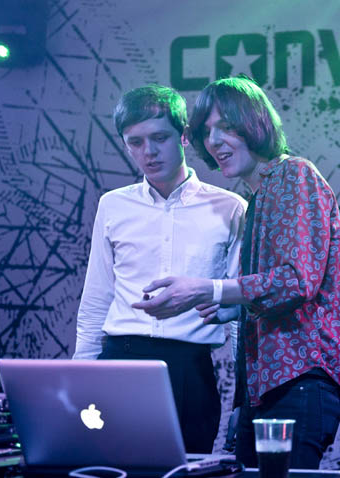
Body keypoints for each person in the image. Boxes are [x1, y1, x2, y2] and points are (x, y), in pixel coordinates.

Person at [132, 76, 340, 469]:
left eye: (227, 126)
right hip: (264, 392)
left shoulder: (294, 175)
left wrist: (209, 290)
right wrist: (235, 310)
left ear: (256, 124)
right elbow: (273, 296)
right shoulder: (258, 196)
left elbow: (297, 280)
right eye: (206, 131)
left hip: (299, 382)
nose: (215, 141)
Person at [73, 84, 246, 453]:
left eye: (160, 137)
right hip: (118, 360)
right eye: (135, 142)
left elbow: (238, 313)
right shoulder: (113, 205)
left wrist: (243, 400)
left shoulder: (230, 208)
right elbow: (96, 300)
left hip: (190, 369)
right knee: (108, 470)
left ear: (184, 136)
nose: (148, 151)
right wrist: (80, 380)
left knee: (186, 471)